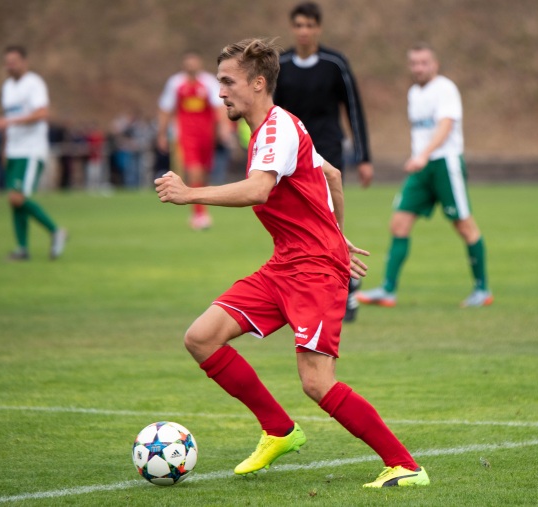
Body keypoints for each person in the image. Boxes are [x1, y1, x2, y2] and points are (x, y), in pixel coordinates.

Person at [155, 38, 430, 489]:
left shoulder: (278, 129)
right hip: (287, 264)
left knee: (317, 382)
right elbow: (332, 177)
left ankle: (405, 465)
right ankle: (279, 430)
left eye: (227, 82)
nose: (218, 91)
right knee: (202, 337)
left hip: (315, 271)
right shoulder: (273, 128)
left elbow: (258, 190)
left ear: (258, 83)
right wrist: (336, 234)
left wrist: (190, 194)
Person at [357, 43, 492, 308]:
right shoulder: (413, 93)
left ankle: (482, 290)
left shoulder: (445, 89)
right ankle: (388, 290)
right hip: (421, 168)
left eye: (424, 63)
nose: (419, 68)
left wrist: (424, 154)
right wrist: (419, 157)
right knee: (399, 224)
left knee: (464, 226)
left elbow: (445, 125)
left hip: (444, 164)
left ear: (435, 64)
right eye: (415, 63)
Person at [274, 1, 374, 322]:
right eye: (298, 25)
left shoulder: (335, 63)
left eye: (309, 25)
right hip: (291, 155)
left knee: (328, 223)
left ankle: (347, 287)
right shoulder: (281, 64)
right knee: (296, 226)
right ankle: (305, 288)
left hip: (328, 151)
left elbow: (354, 109)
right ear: (292, 28)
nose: (304, 31)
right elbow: (269, 113)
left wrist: (364, 157)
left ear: (318, 28)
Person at [0, 45, 67, 261]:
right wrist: (5, 148)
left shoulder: (34, 83)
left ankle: (55, 231)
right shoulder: (7, 87)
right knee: (13, 199)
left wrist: (9, 121)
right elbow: (9, 121)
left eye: (14, 61)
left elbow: (42, 113)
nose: (10, 66)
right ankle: (22, 248)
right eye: (7, 62)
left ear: (24, 62)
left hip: (31, 150)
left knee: (17, 197)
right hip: (14, 150)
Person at [157, 51, 230, 230]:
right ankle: (199, 214)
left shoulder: (209, 82)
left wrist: (223, 127)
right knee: (194, 171)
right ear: (184, 65)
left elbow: (219, 106)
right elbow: (166, 109)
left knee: (204, 173)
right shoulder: (175, 83)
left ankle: (200, 209)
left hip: (207, 136)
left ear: (200, 63)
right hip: (185, 136)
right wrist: (162, 134)